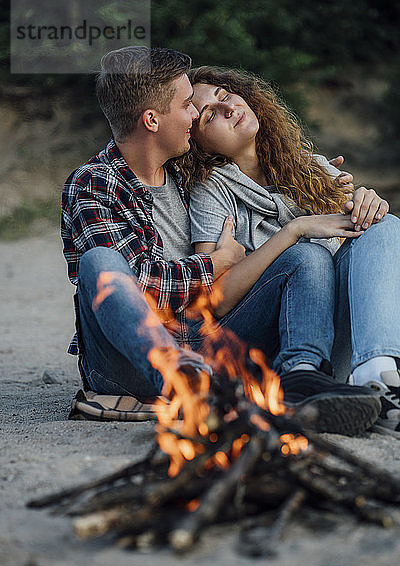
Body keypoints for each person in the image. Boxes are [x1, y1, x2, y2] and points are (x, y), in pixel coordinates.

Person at [61, 46, 380, 435]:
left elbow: (257, 213)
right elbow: (139, 285)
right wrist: (212, 264)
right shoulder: (95, 183)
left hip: (211, 343)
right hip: (129, 363)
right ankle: (181, 380)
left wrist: (319, 189)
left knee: (305, 256)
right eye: (186, 106)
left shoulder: (190, 173)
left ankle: (301, 379)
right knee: (99, 262)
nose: (196, 115)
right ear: (151, 120)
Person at [178, 65, 400, 437]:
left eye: (223, 95)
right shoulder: (210, 190)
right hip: (265, 348)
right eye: (208, 115)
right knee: (306, 255)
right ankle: (303, 379)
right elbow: (215, 300)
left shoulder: (310, 169)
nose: (228, 107)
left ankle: (377, 376)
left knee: (385, 224)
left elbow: (356, 241)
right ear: (199, 147)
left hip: (334, 342)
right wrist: (294, 231)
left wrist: (367, 204)